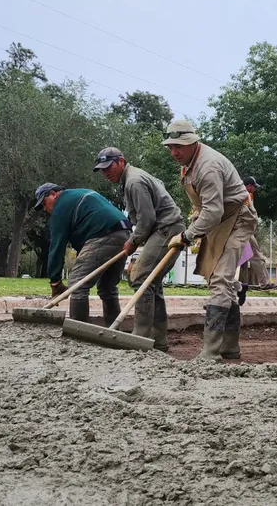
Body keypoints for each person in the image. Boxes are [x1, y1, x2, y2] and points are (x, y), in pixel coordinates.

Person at [162, 120, 258, 361]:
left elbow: (213, 212)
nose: (174, 152)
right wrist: (196, 222)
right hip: (219, 219)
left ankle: (211, 352)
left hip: (237, 219)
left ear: (194, 142)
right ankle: (229, 348)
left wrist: (187, 235)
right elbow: (205, 205)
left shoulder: (208, 167)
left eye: (179, 147)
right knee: (219, 280)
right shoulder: (188, 164)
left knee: (220, 279)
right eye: (171, 147)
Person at [93, 147, 185, 351]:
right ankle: (157, 340)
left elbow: (147, 219)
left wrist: (133, 241)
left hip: (166, 229)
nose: (106, 173)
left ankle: (140, 336)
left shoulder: (134, 181)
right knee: (152, 284)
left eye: (109, 167)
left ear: (121, 161)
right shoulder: (132, 179)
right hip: (163, 229)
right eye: (102, 170)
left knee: (141, 278)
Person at [34, 182, 130, 326]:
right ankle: (115, 332)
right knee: (107, 287)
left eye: (44, 203)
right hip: (124, 234)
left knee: (77, 284)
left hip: (103, 234)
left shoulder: (61, 207)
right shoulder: (79, 194)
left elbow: (57, 246)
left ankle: (78, 333)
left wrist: (55, 282)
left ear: (53, 194)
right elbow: (84, 246)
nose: (45, 209)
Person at [239, 176, 271, 295]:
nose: (254, 189)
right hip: (242, 229)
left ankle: (265, 283)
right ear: (249, 186)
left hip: (243, 230)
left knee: (253, 255)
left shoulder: (246, 195)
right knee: (256, 255)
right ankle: (264, 283)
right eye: (253, 187)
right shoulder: (242, 195)